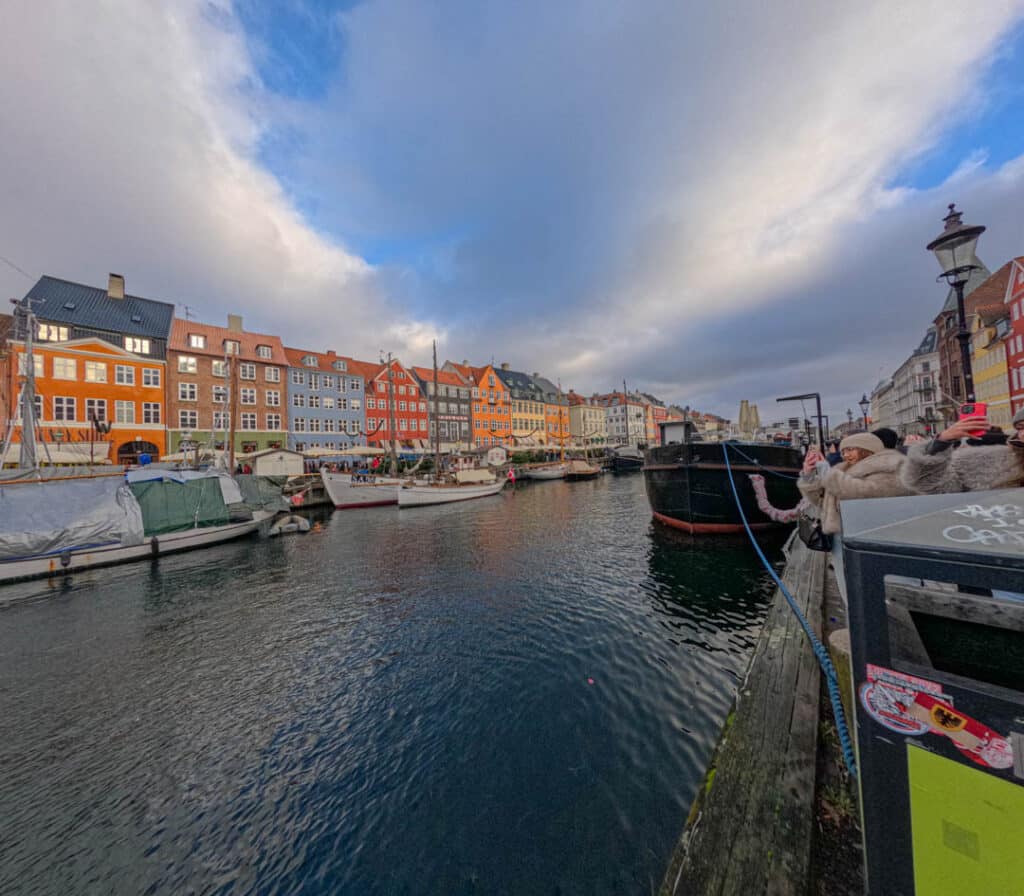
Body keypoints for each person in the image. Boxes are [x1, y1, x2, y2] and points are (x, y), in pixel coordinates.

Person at [798, 432, 913, 602]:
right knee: (847, 585)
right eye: (843, 451)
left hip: (872, 539)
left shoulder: (890, 466)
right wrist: (808, 477)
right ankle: (854, 616)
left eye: (851, 449)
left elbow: (864, 493)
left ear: (867, 449)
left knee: (876, 588)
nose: (846, 455)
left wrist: (827, 473)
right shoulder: (841, 470)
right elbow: (822, 501)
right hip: (842, 537)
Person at [900, 410, 1024, 494]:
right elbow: (928, 484)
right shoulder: (986, 460)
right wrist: (940, 443)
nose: (1022, 433)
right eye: (1020, 428)